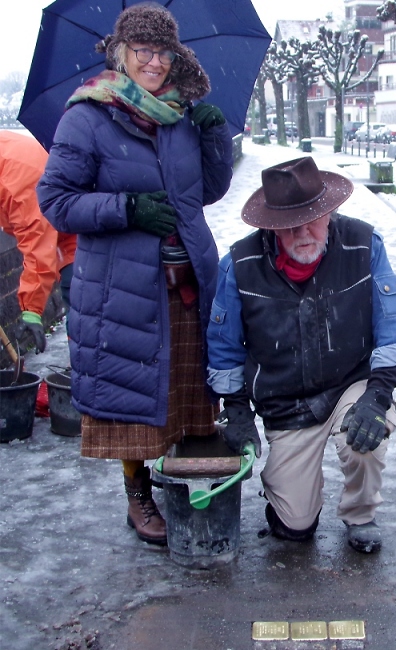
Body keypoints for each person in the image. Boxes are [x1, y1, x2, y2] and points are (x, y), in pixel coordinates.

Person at [37, 2, 233, 546]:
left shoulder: (183, 116)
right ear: (121, 54)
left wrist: (216, 139)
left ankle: (185, 485)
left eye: (162, 51)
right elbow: (55, 201)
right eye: (142, 50)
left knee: (189, 398)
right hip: (122, 288)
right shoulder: (88, 116)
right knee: (132, 406)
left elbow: (208, 192)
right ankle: (137, 495)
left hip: (188, 283)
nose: (154, 62)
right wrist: (126, 209)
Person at [207, 156, 396, 553]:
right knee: (295, 527)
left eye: (314, 218)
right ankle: (290, 504)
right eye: (290, 225)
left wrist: (378, 394)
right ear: (272, 227)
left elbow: (394, 325)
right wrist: (235, 409)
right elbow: (224, 345)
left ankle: (361, 513)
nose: (304, 231)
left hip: (350, 384)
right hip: (286, 401)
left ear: (330, 213)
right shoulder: (239, 266)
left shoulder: (364, 245)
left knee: (366, 437)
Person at [0, 131, 76, 352]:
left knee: (84, 314)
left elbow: (37, 247)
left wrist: (31, 310)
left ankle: (87, 377)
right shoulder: (5, 154)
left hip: (78, 237)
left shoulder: (17, 182)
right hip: (65, 230)